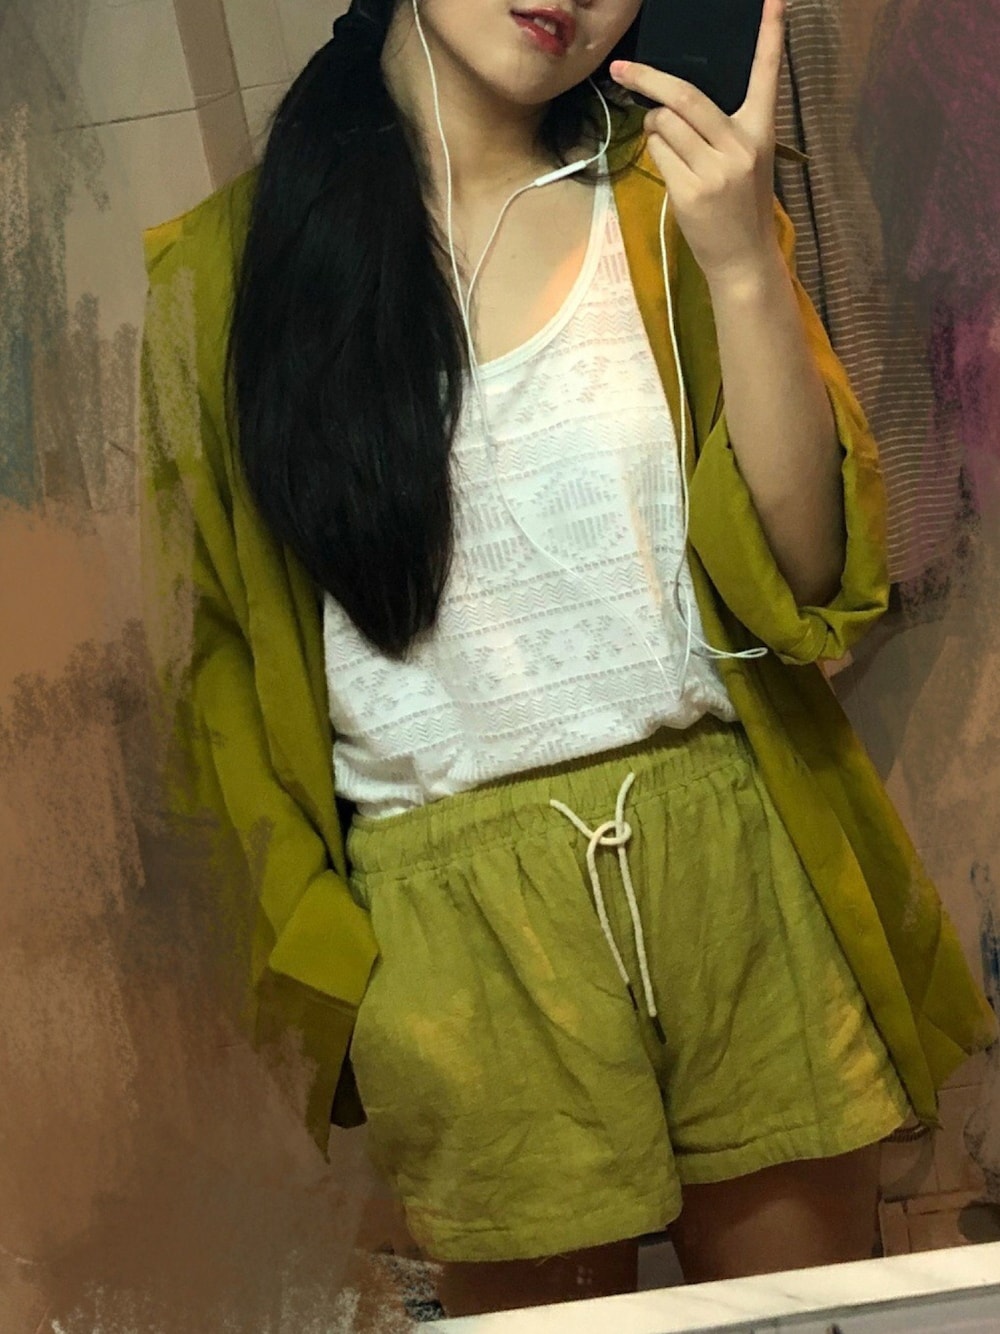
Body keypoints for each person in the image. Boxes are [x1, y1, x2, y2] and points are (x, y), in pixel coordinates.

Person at [138, 0, 995, 1316]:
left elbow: (809, 576)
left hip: (736, 857)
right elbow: (221, 678)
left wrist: (744, 264)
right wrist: (344, 961)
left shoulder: (667, 196)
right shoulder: (223, 278)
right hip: (452, 921)